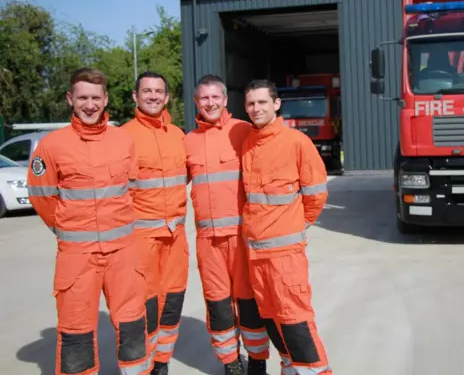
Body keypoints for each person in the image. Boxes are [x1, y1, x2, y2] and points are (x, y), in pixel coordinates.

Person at [27, 67, 151, 375]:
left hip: (123, 253)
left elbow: (132, 190)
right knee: (76, 331)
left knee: (133, 324)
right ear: (71, 99)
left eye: (96, 97)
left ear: (106, 98)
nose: (90, 104)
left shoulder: (124, 140)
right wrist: (70, 229)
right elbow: (42, 197)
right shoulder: (51, 145)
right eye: (83, 98)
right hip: (77, 257)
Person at [242, 79, 332, 375]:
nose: (256, 109)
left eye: (262, 102)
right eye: (251, 104)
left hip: (285, 256)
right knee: (272, 320)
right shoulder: (247, 143)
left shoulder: (296, 142)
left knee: (295, 321)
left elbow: (316, 193)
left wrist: (298, 223)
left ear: (276, 104)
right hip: (256, 256)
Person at [184, 74, 270, 375]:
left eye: (215, 97)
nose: (210, 103)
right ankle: (231, 364)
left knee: (250, 305)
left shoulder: (244, 131)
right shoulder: (188, 142)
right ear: (196, 102)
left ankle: (257, 362)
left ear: (225, 100)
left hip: (242, 238)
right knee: (218, 308)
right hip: (209, 243)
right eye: (204, 98)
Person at [121, 71, 189, 375]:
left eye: (158, 91)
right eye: (146, 91)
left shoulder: (178, 136)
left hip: (175, 239)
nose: (152, 96)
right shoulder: (123, 137)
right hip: (140, 243)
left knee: (171, 305)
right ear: (135, 97)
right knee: (143, 310)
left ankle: (161, 364)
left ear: (167, 97)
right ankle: (141, 368)